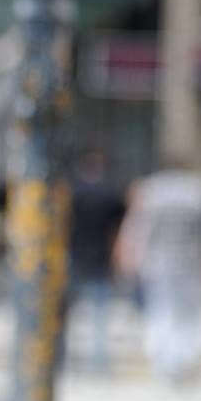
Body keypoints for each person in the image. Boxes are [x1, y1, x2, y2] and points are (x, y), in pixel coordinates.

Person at [115, 160, 201, 384]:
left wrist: (130, 259)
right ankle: (180, 360)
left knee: (160, 310)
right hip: (189, 262)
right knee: (186, 314)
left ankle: (164, 361)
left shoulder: (152, 191)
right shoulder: (198, 193)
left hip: (158, 263)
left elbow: (137, 231)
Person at [66, 150, 126, 373]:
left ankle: (63, 358)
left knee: (66, 312)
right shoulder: (110, 195)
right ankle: (98, 362)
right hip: (100, 257)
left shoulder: (74, 193)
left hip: (74, 255)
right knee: (99, 314)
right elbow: (118, 229)